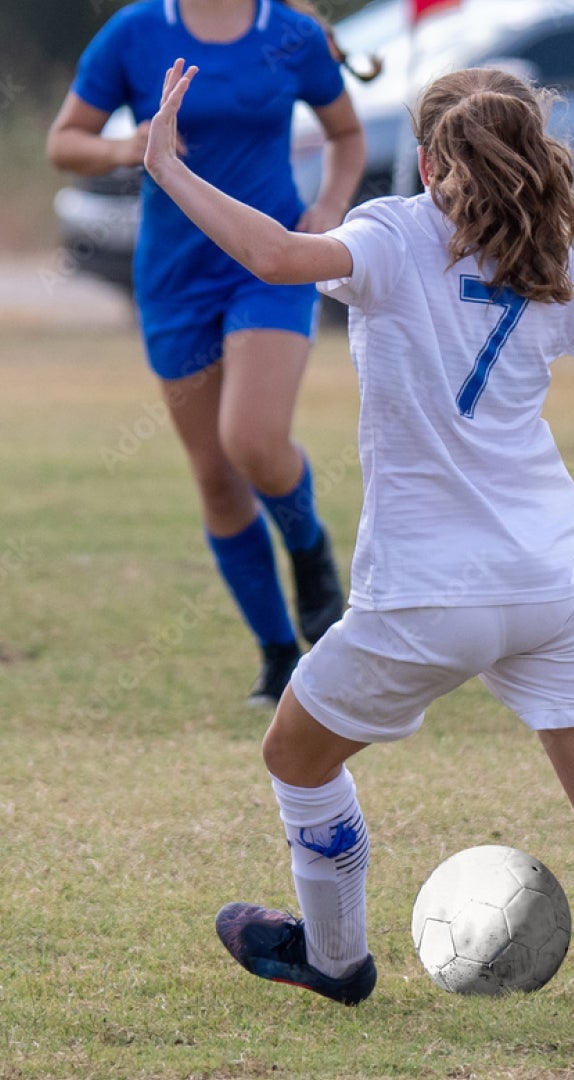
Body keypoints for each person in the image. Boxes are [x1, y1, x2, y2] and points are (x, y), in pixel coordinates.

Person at [144, 61, 574, 1006]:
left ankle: (334, 959)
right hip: (546, 585)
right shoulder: (552, 263)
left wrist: (169, 169)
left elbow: (277, 256)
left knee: (296, 757)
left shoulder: (395, 233)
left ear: (433, 160)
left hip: (426, 597)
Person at [46, 0, 379, 706]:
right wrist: (126, 146)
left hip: (267, 261)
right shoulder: (135, 31)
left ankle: (309, 553)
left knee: (253, 438)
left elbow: (346, 134)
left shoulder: (290, 35)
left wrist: (331, 208)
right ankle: (277, 652)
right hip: (173, 279)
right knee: (217, 479)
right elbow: (64, 143)